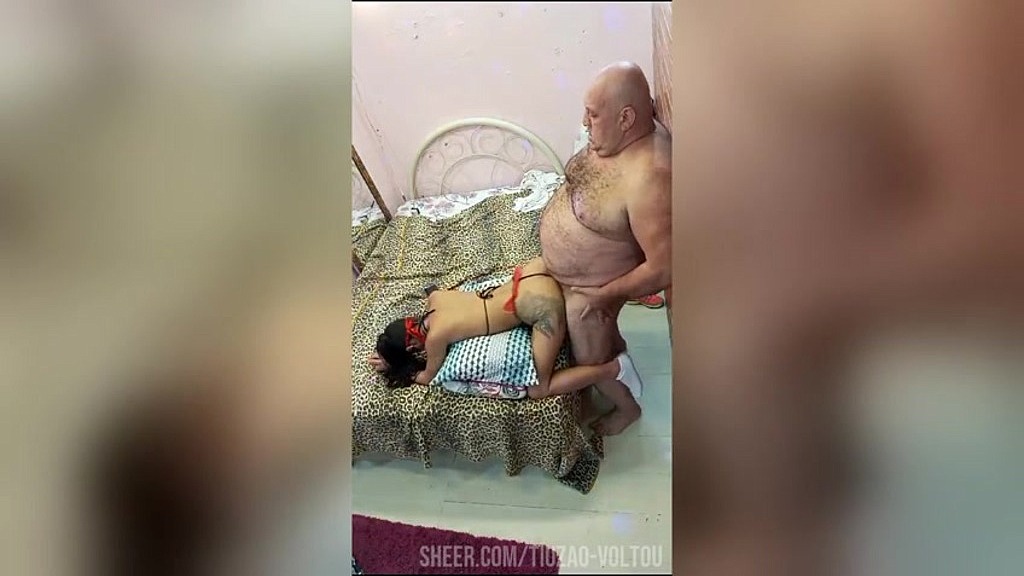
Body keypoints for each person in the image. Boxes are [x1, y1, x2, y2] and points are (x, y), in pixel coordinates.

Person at [537, 62, 672, 435]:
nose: (585, 123)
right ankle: (618, 356)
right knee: (600, 344)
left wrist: (605, 296)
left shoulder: (649, 178)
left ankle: (627, 410)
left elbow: (664, 267)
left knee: (591, 358)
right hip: (571, 276)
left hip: (591, 290)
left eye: (593, 115)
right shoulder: (617, 140)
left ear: (626, 118)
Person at [367, 256, 644, 401]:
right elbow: (433, 293)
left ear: (412, 345)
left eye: (413, 350)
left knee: (539, 389)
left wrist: (395, 366)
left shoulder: (435, 339)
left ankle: (615, 369)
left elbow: (428, 376)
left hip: (537, 304)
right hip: (532, 271)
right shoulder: (436, 298)